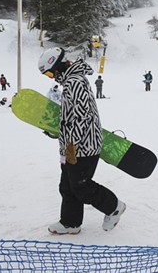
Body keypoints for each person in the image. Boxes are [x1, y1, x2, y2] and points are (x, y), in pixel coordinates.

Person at [37, 47, 126, 235]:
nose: (51, 77)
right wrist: (58, 134)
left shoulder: (75, 83)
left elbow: (81, 118)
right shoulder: (70, 82)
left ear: (58, 66)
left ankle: (114, 206)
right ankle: (71, 223)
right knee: (67, 186)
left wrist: (72, 146)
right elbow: (69, 117)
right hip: (71, 146)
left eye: (50, 73)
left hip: (83, 147)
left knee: (81, 186)